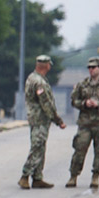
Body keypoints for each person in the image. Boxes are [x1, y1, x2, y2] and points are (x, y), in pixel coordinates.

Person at [67, 55, 99, 189]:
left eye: (94, 67)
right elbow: (74, 101)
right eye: (89, 68)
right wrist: (85, 103)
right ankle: (73, 176)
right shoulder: (82, 85)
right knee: (79, 149)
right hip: (85, 123)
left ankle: (96, 176)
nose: (91, 70)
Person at [19, 54, 66, 189]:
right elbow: (46, 104)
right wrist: (58, 120)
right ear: (46, 66)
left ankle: (37, 177)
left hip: (37, 118)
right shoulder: (39, 82)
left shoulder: (32, 78)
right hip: (39, 119)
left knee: (40, 146)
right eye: (49, 64)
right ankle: (25, 176)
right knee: (37, 146)